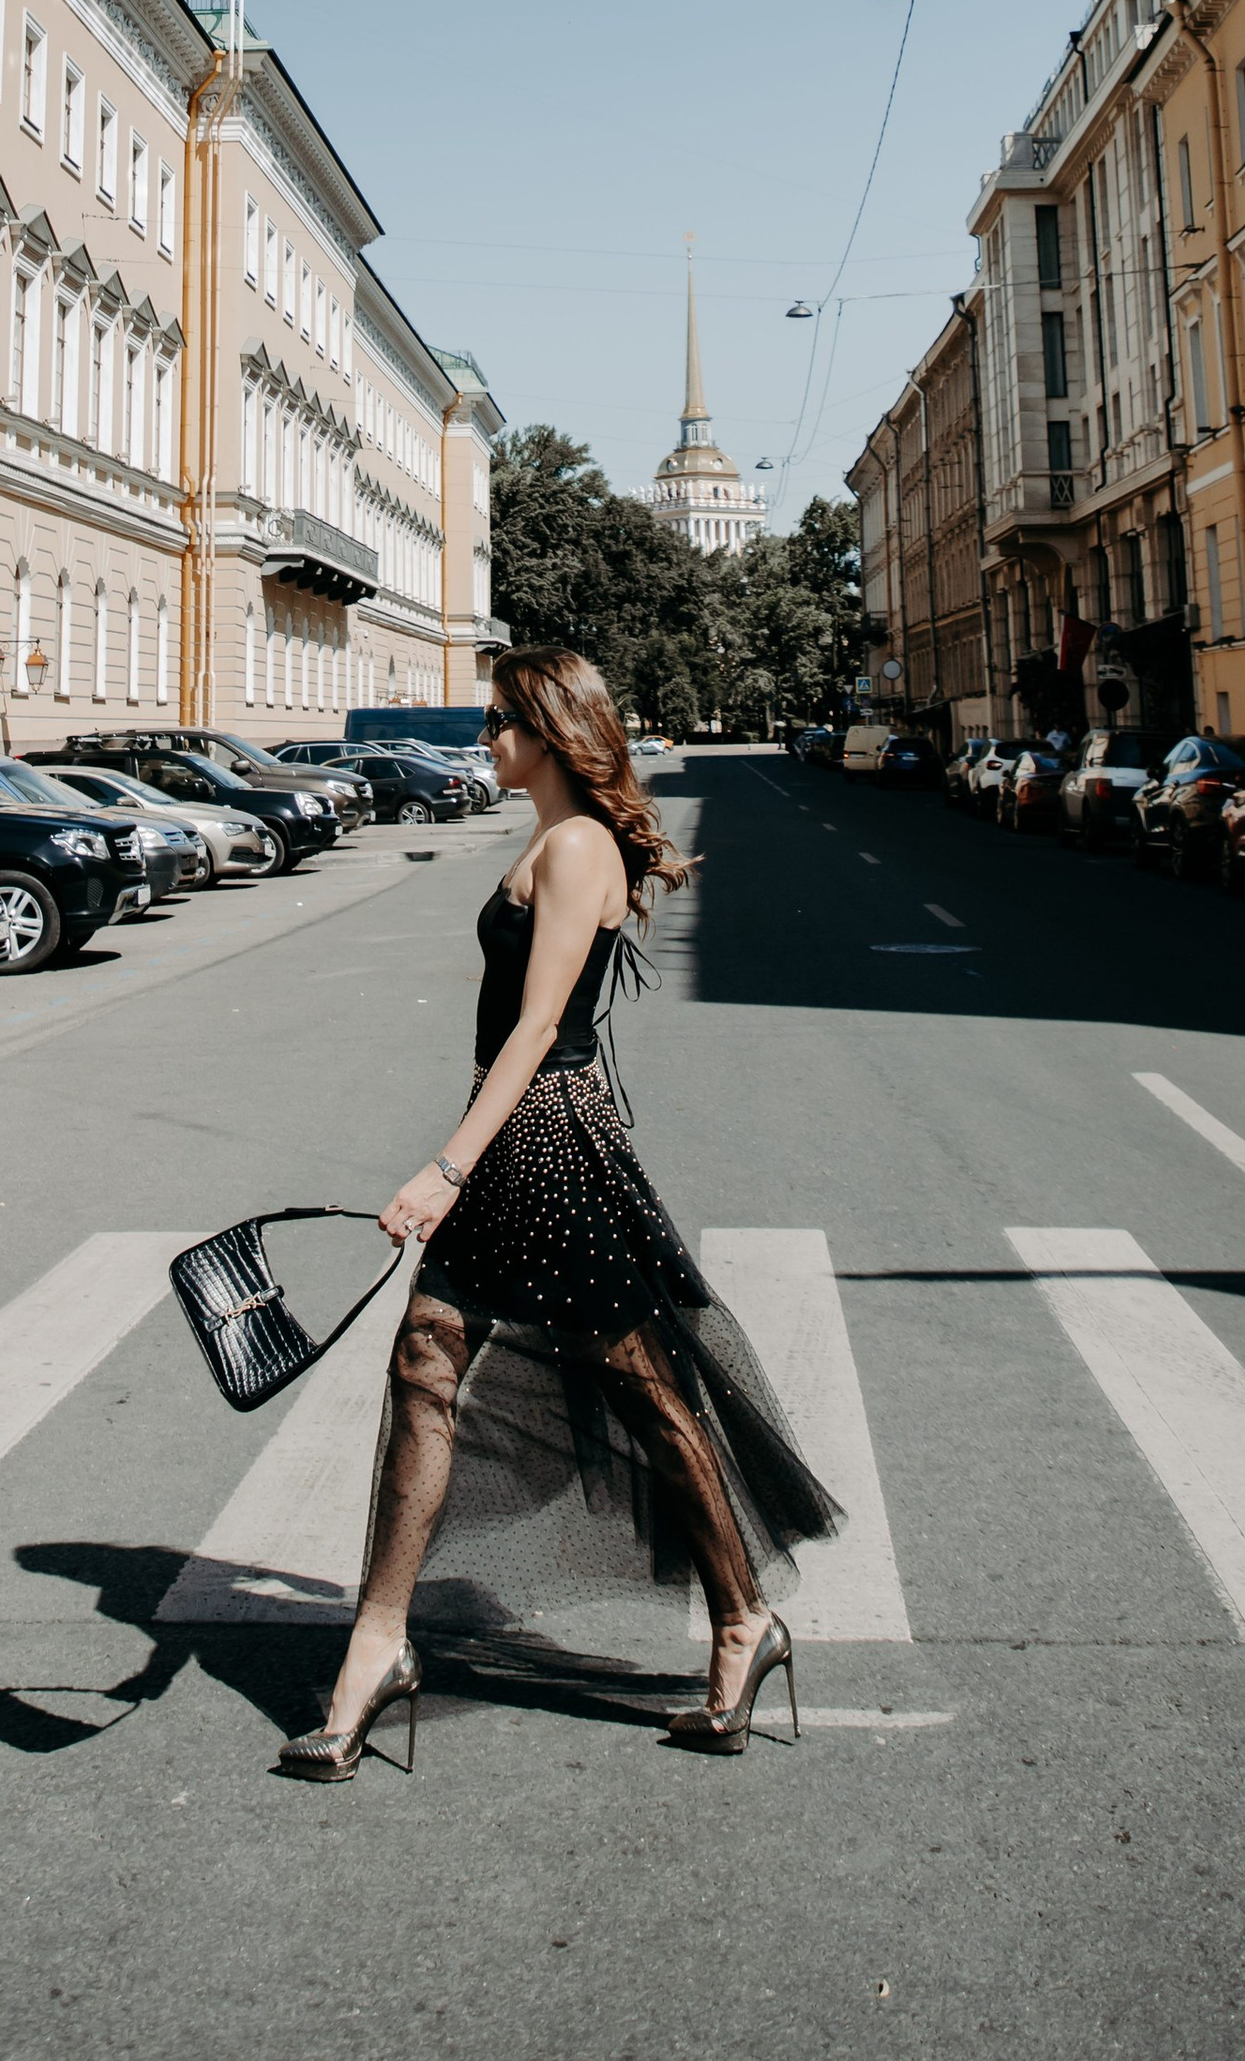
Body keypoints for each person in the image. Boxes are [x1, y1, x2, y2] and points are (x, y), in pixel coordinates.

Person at [278, 646, 841, 1780]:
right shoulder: (548, 838)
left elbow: (535, 1031)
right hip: (517, 1142)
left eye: (497, 721)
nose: (483, 738)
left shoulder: (577, 844)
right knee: (424, 1367)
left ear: (547, 729)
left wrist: (443, 1167)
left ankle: (741, 1620)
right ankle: (376, 1644)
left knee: (641, 1389)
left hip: (551, 1142)